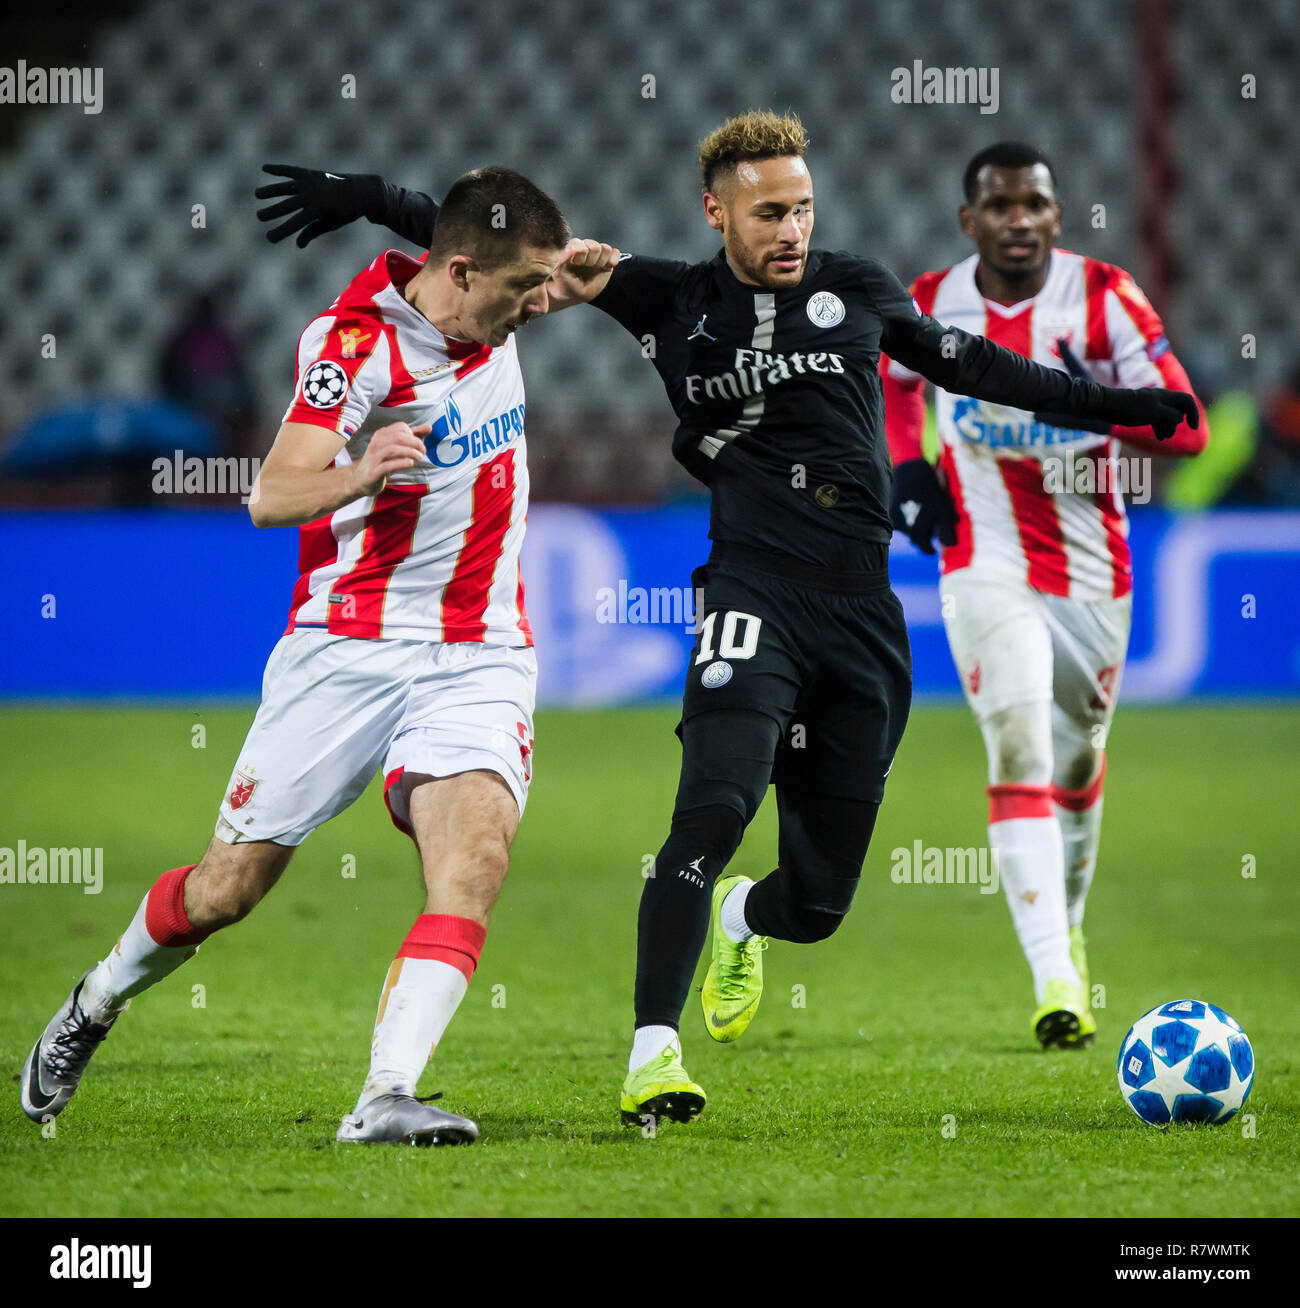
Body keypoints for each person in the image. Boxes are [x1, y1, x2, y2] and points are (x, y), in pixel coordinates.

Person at [260, 112, 1197, 1125]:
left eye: (801, 208)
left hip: (861, 613)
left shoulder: (860, 290)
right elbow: (503, 246)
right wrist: (369, 198)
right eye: (766, 213)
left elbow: (975, 367)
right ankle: (652, 1054)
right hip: (748, 592)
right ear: (717, 214)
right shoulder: (665, 295)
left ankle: (748, 916)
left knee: (820, 901)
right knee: (707, 812)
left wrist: (1125, 408)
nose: (790, 229)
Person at [21, 166, 619, 1145]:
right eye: (521, 296)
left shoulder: (491, 291)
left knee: (474, 859)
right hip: (349, 649)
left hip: (479, 649)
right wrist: (361, 468)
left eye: (539, 294)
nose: (535, 312)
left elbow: (517, 264)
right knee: (227, 891)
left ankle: (385, 1095)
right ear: (459, 273)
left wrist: (571, 273)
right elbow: (270, 495)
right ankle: (96, 999)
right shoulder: (354, 349)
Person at [881, 142, 1207, 1046]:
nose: (1017, 220)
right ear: (969, 220)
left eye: (1034, 204)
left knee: (1075, 762)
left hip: (1091, 566)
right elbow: (898, 379)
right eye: (999, 205)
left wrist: (1079, 401)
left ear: (1057, 217)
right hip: (981, 556)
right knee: (1019, 741)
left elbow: (1186, 429)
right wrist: (910, 466)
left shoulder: (1105, 297)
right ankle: (1055, 977)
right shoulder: (930, 301)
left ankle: (1069, 933)